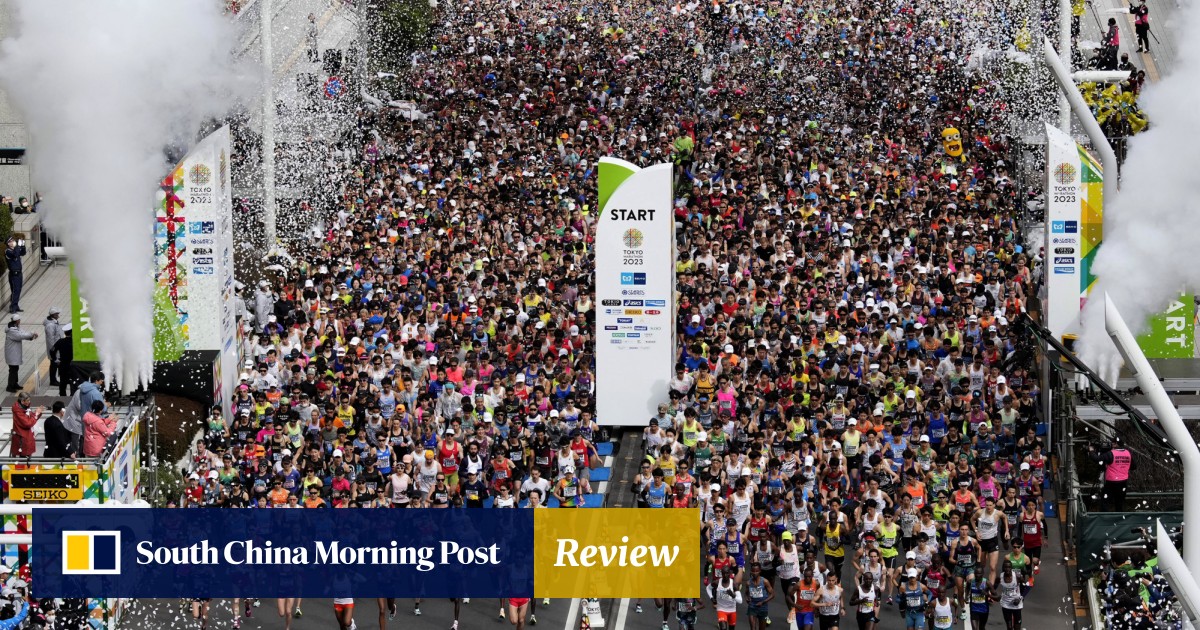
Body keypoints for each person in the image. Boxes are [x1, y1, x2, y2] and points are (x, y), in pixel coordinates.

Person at [1089, 435, 1133, 511]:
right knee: (1119, 503)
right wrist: (1122, 466)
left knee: (1105, 501)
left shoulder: (1111, 454)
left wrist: (1091, 451)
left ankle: (1104, 519)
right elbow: (1133, 466)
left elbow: (1097, 459)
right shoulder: (1128, 453)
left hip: (1112, 482)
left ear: (1115, 444)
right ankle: (1119, 519)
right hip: (1123, 482)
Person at [4, 315, 35, 392]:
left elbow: (23, 333)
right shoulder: (12, 330)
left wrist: (31, 336)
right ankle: (10, 386)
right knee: (13, 370)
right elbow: (20, 336)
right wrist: (32, 334)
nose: (20, 321)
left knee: (15, 368)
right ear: (17, 320)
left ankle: (14, 384)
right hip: (12, 354)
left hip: (14, 353)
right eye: (19, 320)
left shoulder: (15, 327)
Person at [9, 392, 42, 457]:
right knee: (22, 462)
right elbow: (28, 423)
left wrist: (38, 413)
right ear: (22, 401)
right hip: (22, 440)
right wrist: (36, 414)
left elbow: (31, 418)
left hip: (27, 438)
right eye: (28, 401)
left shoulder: (25, 408)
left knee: (27, 459)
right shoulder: (18, 411)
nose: (29, 402)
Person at [42, 307, 64, 386]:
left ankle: (58, 379)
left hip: (57, 347)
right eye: (57, 314)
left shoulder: (54, 322)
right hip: (54, 349)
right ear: (53, 315)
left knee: (57, 364)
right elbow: (50, 339)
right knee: (54, 364)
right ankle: (53, 380)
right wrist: (53, 350)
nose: (58, 315)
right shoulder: (50, 325)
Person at [4, 237, 25, 314]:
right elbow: (15, 255)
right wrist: (17, 247)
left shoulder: (15, 249)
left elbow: (23, 253)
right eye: (10, 241)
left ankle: (16, 306)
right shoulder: (8, 251)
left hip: (19, 273)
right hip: (14, 274)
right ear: (8, 243)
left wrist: (22, 246)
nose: (12, 242)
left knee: (18, 290)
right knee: (15, 291)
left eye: (13, 240)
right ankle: (12, 307)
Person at [53, 323, 74, 396]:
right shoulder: (75, 342)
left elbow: (52, 350)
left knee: (63, 382)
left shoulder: (60, 341)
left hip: (63, 365)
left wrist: (55, 359)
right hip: (72, 365)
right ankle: (72, 395)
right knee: (72, 381)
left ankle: (62, 396)